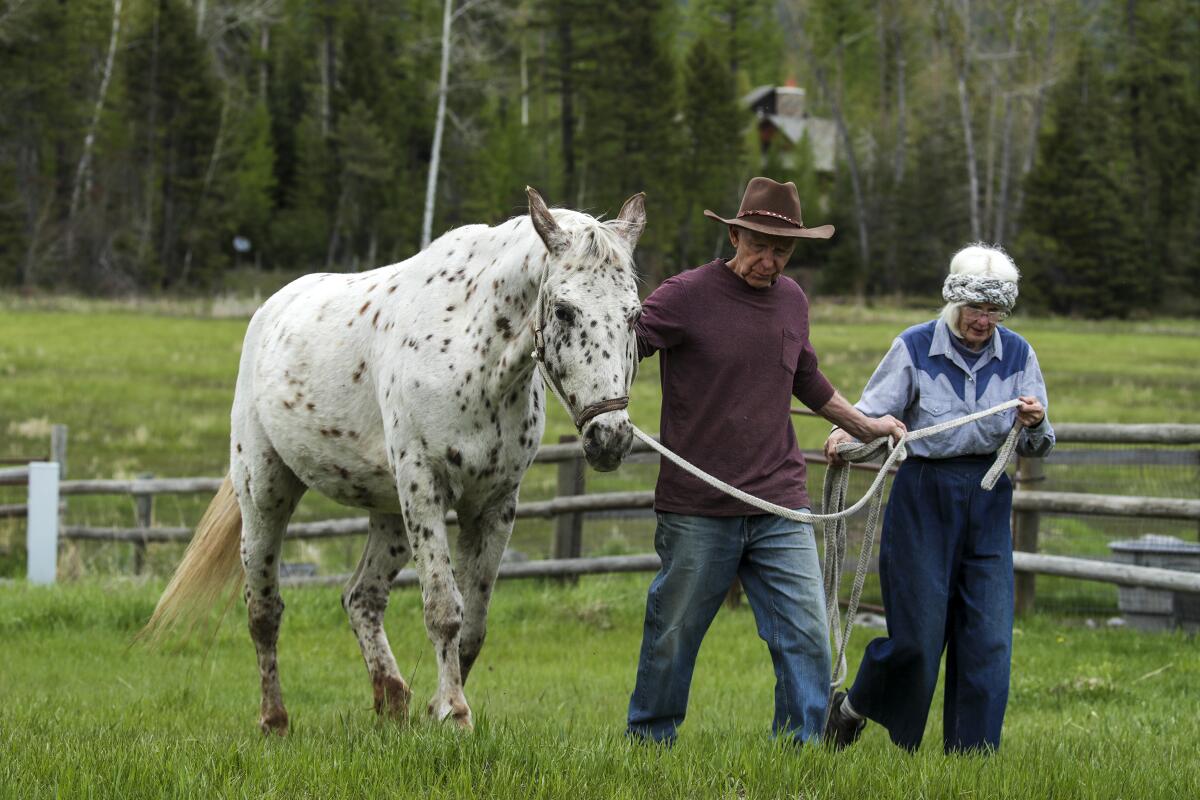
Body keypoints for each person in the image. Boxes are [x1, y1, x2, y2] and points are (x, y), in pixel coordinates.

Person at [626, 177, 906, 745]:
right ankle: (650, 741)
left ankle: (797, 749)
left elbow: (805, 379)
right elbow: (618, 344)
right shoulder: (684, 295)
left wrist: (865, 426)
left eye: (782, 249)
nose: (769, 260)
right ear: (734, 234)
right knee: (674, 632)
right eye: (758, 245)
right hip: (698, 505)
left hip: (779, 500)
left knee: (807, 632)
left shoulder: (792, 300)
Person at [822, 244, 1055, 754]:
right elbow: (869, 416)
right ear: (954, 302)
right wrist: (846, 441)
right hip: (923, 495)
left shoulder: (1019, 354)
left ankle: (971, 756)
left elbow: (1039, 441)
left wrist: (1036, 424)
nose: (984, 319)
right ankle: (852, 708)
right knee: (918, 638)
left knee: (989, 636)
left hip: (989, 497)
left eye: (995, 310)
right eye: (976, 307)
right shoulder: (913, 348)